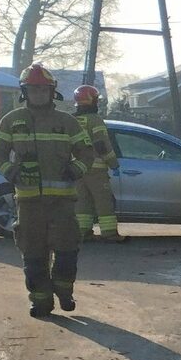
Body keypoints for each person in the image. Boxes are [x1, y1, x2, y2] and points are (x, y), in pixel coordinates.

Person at [0, 65, 96, 317]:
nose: (38, 94)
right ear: (25, 92)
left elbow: (86, 152)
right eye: (33, 89)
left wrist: (76, 169)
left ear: (51, 92)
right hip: (28, 202)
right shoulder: (12, 121)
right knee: (33, 252)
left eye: (43, 89)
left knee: (67, 249)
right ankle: (40, 300)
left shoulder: (67, 122)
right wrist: (10, 171)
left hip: (63, 202)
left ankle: (64, 291)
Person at [71, 84, 123, 242]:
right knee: (103, 201)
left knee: (82, 202)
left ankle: (82, 231)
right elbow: (102, 144)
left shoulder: (72, 120)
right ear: (91, 100)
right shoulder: (95, 120)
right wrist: (113, 163)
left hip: (77, 169)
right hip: (96, 169)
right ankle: (109, 233)